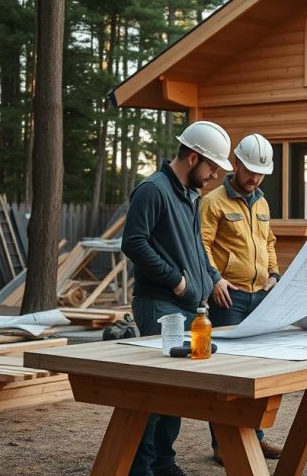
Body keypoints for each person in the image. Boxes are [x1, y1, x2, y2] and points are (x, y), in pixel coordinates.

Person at [121, 120, 233, 476]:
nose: (215, 174)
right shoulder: (152, 190)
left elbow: (196, 248)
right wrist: (177, 282)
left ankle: (164, 463)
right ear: (193, 157)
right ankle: (141, 468)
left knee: (175, 391)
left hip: (187, 307)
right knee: (155, 393)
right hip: (159, 304)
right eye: (213, 165)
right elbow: (134, 242)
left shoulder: (190, 197)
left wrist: (211, 277)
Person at [200, 133, 283, 465]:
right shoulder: (213, 202)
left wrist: (274, 274)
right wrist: (213, 278)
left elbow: (270, 242)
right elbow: (200, 245)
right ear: (235, 163)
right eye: (250, 170)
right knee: (226, 373)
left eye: (261, 173)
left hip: (260, 296)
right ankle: (222, 443)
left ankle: (255, 437)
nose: (255, 178)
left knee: (257, 372)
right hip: (228, 299)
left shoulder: (262, 202)